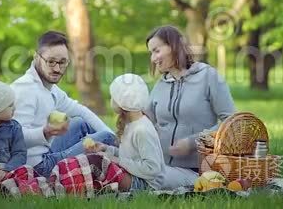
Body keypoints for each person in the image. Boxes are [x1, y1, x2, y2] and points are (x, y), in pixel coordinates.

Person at [11, 31, 116, 177]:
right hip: (36, 167)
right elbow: (13, 138)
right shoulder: (26, 89)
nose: (57, 68)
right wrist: (45, 132)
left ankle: (107, 161)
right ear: (36, 57)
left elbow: (80, 110)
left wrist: (113, 136)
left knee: (80, 123)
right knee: (105, 137)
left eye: (62, 62)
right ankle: (124, 166)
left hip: (45, 151)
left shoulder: (48, 87)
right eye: (51, 61)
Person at [145, 25, 237, 189]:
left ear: (174, 46)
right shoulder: (160, 85)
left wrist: (193, 142)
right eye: (151, 53)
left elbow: (232, 122)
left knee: (149, 177)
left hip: (200, 170)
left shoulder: (208, 76)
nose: (153, 58)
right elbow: (146, 122)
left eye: (156, 51)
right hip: (163, 165)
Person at [86, 74, 165, 192]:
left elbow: (152, 168)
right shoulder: (130, 123)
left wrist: (116, 160)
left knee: (98, 166)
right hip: (134, 175)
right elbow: (129, 156)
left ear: (124, 101)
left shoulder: (142, 130)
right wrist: (106, 149)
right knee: (93, 161)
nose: (112, 100)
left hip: (146, 184)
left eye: (114, 97)